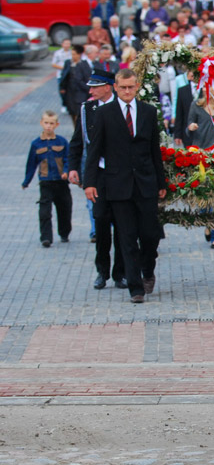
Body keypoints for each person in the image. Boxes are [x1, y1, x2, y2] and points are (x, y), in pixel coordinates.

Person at [84, 69, 167, 304]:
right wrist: (89, 182)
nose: (127, 91)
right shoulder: (104, 113)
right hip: (117, 184)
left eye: (131, 87)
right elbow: (94, 150)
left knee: (150, 234)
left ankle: (147, 269)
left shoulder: (148, 112)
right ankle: (135, 287)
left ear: (137, 86)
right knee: (127, 237)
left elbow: (154, 149)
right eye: (123, 87)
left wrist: (161, 181)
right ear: (115, 87)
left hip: (145, 182)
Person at [68, 69, 127, 290]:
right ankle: (102, 271)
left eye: (95, 87)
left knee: (122, 226)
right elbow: (77, 141)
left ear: (107, 87)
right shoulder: (87, 109)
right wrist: (73, 167)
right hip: (99, 174)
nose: (90, 91)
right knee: (100, 221)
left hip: (120, 175)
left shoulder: (123, 106)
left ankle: (120, 272)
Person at [22, 111, 72, 248]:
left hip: (61, 182)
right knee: (44, 212)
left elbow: (68, 159)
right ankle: (46, 237)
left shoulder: (62, 141)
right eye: (46, 123)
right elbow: (31, 164)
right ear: (41, 123)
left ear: (56, 125)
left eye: (51, 123)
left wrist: (66, 171)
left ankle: (64, 233)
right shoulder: (36, 144)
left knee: (64, 209)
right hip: (46, 182)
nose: (48, 126)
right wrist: (26, 181)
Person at [187, 86, 214, 248]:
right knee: (203, 196)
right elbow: (188, 126)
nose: (207, 90)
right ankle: (207, 223)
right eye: (204, 86)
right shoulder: (196, 105)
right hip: (200, 155)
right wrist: (191, 127)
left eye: (210, 86)